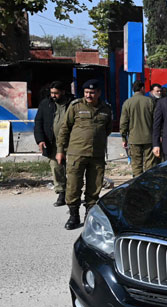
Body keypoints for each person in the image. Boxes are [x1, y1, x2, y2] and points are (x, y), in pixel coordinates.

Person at [56, 79, 112, 230]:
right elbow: (64, 129)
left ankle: (90, 216)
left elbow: (107, 130)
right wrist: (60, 150)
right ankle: (74, 216)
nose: (89, 95)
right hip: (76, 154)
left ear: (99, 93)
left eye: (92, 92)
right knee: (73, 186)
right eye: (87, 92)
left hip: (97, 155)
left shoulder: (106, 109)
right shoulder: (75, 106)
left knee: (94, 188)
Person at [34, 80, 73, 207]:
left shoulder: (73, 103)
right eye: (52, 93)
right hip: (52, 143)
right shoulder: (46, 104)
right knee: (57, 168)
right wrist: (40, 140)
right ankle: (61, 192)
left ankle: (72, 193)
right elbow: (38, 122)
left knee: (73, 169)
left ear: (63, 92)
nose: (53, 96)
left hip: (72, 143)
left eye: (56, 93)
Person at [120, 80, 156, 176]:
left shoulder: (127, 103)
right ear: (142, 88)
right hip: (149, 138)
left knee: (136, 165)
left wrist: (124, 138)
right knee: (150, 164)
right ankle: (149, 183)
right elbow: (156, 120)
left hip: (134, 139)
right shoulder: (150, 101)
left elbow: (123, 123)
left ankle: (137, 183)